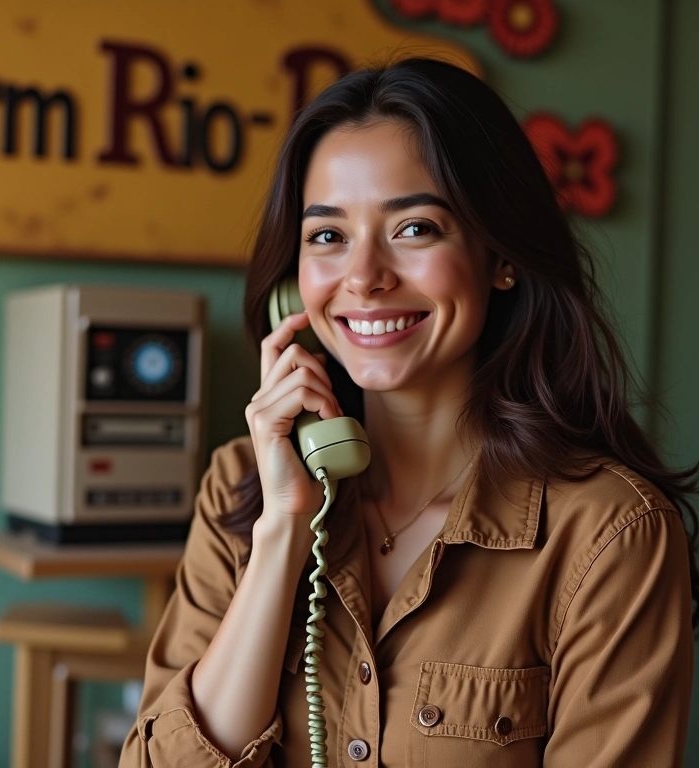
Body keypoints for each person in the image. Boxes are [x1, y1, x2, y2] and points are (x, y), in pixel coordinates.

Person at [119, 58, 697, 767]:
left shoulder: (610, 532)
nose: (363, 277)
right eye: (327, 236)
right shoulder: (241, 488)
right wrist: (282, 535)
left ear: (500, 256)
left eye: (415, 228)